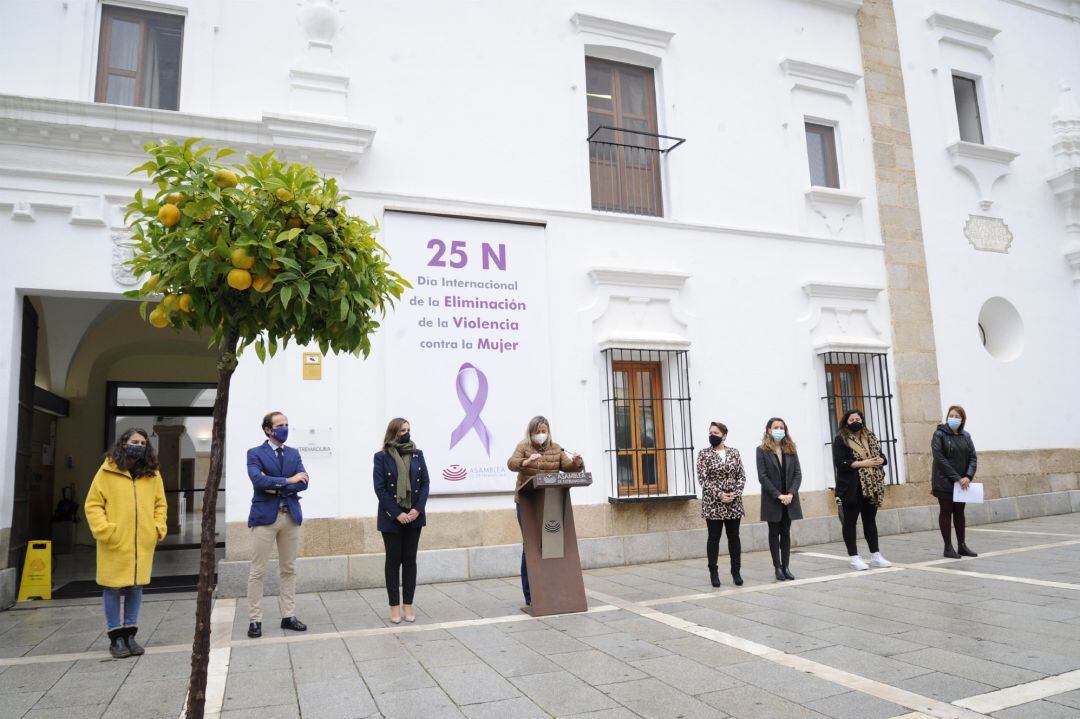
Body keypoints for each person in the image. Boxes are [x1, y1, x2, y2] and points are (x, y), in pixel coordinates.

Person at [84, 428, 167, 658]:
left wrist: (158, 528)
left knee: (136, 586)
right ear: (123, 443)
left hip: (142, 541)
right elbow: (93, 504)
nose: (138, 445)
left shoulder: (152, 473)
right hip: (114, 541)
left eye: (142, 442)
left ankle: (130, 635)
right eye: (134, 441)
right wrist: (105, 530)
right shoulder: (107, 471)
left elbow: (160, 504)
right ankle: (115, 637)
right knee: (112, 587)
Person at [506, 416, 583, 608]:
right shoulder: (524, 446)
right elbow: (511, 463)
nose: (541, 434)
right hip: (527, 503)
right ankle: (531, 594)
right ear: (531, 432)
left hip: (553, 503)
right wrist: (526, 461)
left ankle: (556, 588)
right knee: (531, 546)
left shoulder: (556, 448)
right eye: (538, 431)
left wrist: (577, 463)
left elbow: (568, 469)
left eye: (544, 430)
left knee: (555, 544)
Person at [246, 411, 309, 639]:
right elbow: (257, 480)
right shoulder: (255, 453)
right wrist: (289, 480)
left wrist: (276, 486)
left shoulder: (293, 453)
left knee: (289, 568)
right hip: (265, 518)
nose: (284, 428)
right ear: (267, 429)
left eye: (287, 424)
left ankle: (288, 616)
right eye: (280, 425)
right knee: (258, 570)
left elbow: (304, 483)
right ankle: (255, 620)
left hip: (290, 516)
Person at [373, 418, 430, 624]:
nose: (406, 433)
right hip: (392, 518)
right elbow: (379, 488)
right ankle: (394, 607)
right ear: (393, 432)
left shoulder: (417, 454)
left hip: (414, 516)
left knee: (409, 561)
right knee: (393, 561)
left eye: (408, 430)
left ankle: (408, 604)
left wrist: (417, 509)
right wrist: (397, 513)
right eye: (402, 430)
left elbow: (425, 483)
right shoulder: (381, 457)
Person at [832, 409, 891, 571]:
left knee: (870, 521)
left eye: (858, 418)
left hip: (872, 485)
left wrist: (881, 460)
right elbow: (840, 463)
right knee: (850, 522)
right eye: (852, 419)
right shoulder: (841, 439)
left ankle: (876, 555)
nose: (856, 421)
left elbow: (882, 457)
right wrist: (863, 463)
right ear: (846, 422)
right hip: (851, 487)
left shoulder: (870, 437)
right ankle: (854, 557)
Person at [697, 422, 745, 587]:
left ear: (724, 435)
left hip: (733, 503)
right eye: (710, 432)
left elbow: (741, 476)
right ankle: (713, 572)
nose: (712, 435)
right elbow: (703, 479)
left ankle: (736, 571)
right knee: (714, 538)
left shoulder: (734, 452)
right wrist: (719, 494)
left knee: (734, 538)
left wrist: (735, 494)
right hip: (713, 504)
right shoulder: (704, 454)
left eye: (716, 433)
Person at [756, 417, 803, 581]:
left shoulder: (791, 449)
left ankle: (786, 566)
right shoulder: (762, 450)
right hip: (773, 499)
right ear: (769, 430)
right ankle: (777, 567)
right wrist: (778, 495)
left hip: (789, 499)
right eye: (775, 427)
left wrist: (790, 493)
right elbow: (762, 477)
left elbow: (798, 474)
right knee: (774, 533)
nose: (779, 430)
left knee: (786, 532)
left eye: (782, 427)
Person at [931, 405, 978, 559]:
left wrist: (968, 476)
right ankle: (948, 547)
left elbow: (972, 457)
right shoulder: (939, 435)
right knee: (946, 512)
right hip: (944, 481)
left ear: (963, 419)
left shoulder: (966, 436)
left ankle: (962, 545)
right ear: (947, 417)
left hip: (962, 483)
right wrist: (957, 478)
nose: (954, 418)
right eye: (951, 415)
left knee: (959, 513)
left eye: (957, 416)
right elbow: (940, 459)